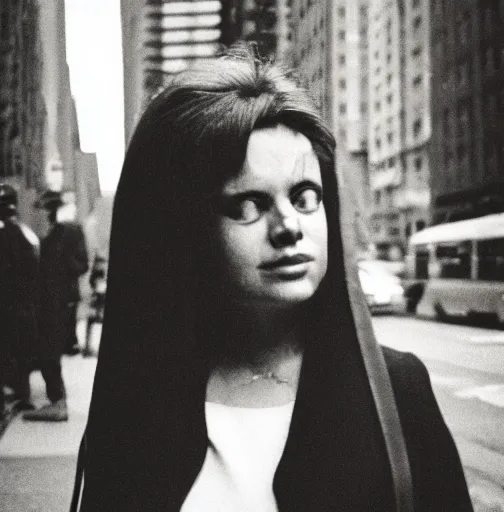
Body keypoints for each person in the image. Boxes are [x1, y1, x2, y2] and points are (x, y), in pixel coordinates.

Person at [72, 46, 473, 511]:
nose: (289, 228)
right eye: (248, 205)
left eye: (305, 197)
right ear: (184, 229)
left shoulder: (396, 392)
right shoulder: (137, 402)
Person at [24, 190, 89, 422]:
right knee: (47, 351)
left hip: (58, 302)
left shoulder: (67, 233)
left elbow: (81, 265)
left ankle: (58, 402)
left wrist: (63, 264)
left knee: (48, 351)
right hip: (49, 301)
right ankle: (57, 400)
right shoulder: (45, 237)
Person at [0, 184, 39, 420]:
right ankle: (22, 395)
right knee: (21, 352)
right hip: (21, 305)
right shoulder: (25, 232)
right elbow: (33, 268)